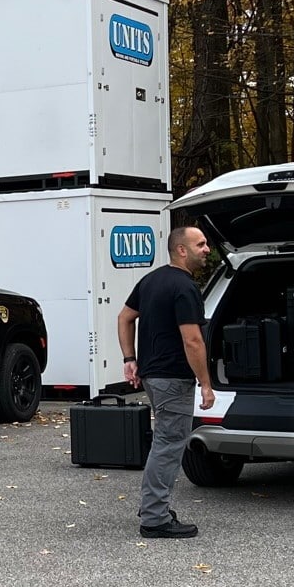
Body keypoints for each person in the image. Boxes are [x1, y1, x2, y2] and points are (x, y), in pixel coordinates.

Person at [116, 225, 216, 539]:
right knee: (169, 445)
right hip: (173, 377)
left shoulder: (151, 280)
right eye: (200, 244)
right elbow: (193, 341)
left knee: (164, 443)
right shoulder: (184, 288)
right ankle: (155, 519)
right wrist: (206, 383)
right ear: (181, 249)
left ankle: (153, 507)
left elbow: (124, 317)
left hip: (154, 375)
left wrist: (129, 359)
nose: (207, 249)